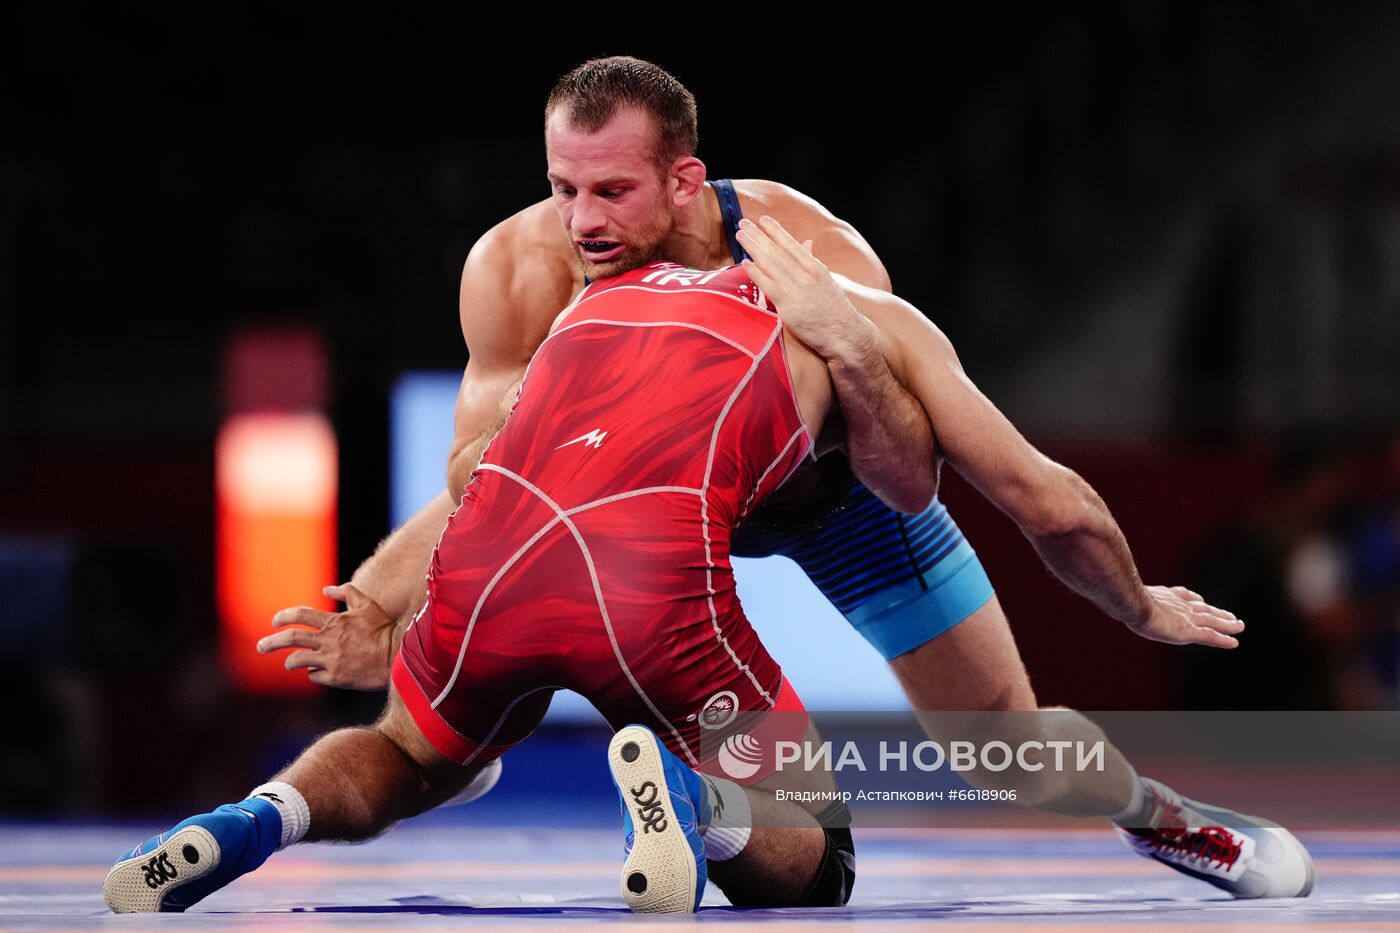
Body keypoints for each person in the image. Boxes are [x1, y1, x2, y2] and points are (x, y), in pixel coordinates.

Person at [258, 57, 1314, 899]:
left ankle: (1157, 816)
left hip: (835, 503)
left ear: (684, 182)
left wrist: (1134, 602)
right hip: (647, 522)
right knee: (533, 631)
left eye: (612, 192)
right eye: (562, 188)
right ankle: (641, 792)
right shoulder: (520, 271)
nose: (581, 224)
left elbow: (909, 481)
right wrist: (385, 606)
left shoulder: (808, 255)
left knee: (1010, 756)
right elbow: (488, 480)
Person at [106, 250, 934, 915]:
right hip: (646, 584)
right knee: (823, 855)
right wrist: (866, 358)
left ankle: (254, 818)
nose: (582, 216)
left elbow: (473, 476)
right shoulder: (816, 307)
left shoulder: (581, 305)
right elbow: (938, 471)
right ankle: (696, 798)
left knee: (404, 754)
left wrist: (384, 603)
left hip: (492, 560)